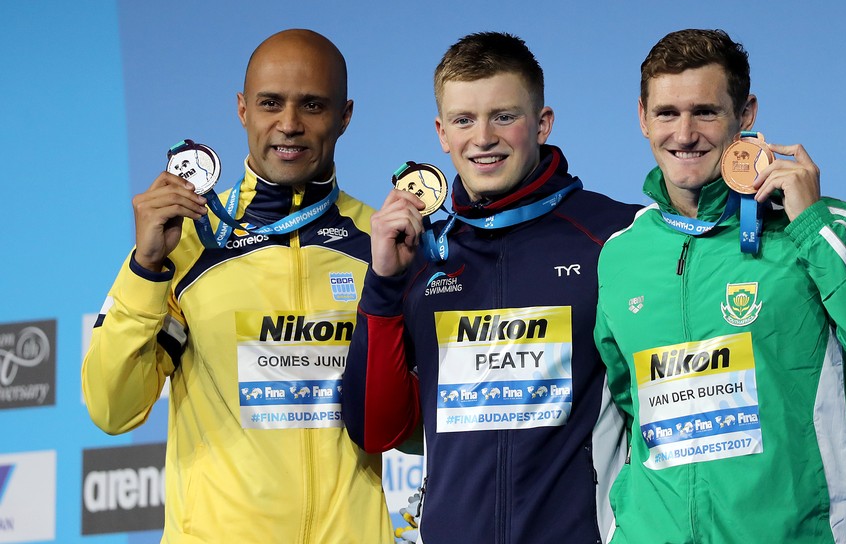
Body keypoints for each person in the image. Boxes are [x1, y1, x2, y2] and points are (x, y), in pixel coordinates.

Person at [594, 28, 846, 544]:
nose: (685, 134)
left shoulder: (826, 227)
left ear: (747, 113)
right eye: (667, 113)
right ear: (642, 118)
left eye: (706, 112)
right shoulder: (622, 253)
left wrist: (812, 227)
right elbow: (627, 402)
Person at [82, 29, 393, 544]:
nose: (288, 125)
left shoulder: (381, 246)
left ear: (345, 115)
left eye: (312, 105)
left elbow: (410, 430)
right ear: (242, 109)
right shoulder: (184, 242)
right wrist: (144, 269)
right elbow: (112, 410)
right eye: (271, 103)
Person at [342, 32, 639, 544]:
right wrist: (384, 284)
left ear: (542, 123)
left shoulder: (616, 237)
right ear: (441, 132)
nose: (482, 138)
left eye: (504, 116)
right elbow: (375, 429)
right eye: (463, 120)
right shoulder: (420, 254)